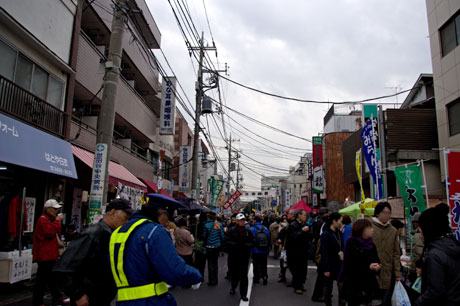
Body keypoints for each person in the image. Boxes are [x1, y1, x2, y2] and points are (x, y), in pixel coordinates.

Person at [108, 194, 202, 305]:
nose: (168, 222)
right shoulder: (155, 232)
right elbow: (174, 270)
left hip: (123, 301)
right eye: (169, 217)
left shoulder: (118, 232)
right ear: (161, 213)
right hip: (150, 301)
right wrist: (196, 276)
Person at [53, 199, 133, 306]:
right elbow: (62, 269)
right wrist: (78, 295)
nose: (126, 222)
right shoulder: (93, 234)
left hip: (103, 299)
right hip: (88, 300)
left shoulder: (110, 235)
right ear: (113, 212)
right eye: (125, 218)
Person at [414, 203, 460, 306]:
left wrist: (417, 302)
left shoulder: (434, 255)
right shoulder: (453, 245)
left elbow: (435, 291)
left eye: (421, 229)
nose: (420, 232)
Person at [32, 199, 65, 306]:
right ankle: (38, 302)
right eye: (54, 209)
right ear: (48, 209)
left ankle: (56, 298)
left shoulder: (49, 219)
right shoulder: (43, 220)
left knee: (52, 279)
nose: (56, 211)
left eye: (57, 209)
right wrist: (57, 221)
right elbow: (49, 232)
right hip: (44, 256)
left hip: (50, 255)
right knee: (42, 281)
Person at [341, 219, 381, 306]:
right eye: (369, 227)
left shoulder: (371, 244)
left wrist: (377, 266)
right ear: (361, 229)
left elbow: (377, 260)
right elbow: (350, 266)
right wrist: (368, 267)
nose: (372, 230)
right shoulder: (351, 243)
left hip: (370, 285)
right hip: (355, 286)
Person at [370, 202, 401, 305]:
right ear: (377, 214)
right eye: (384, 212)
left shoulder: (392, 230)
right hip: (372, 271)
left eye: (389, 213)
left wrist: (397, 273)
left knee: (385, 300)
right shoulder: (369, 227)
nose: (387, 215)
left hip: (388, 271)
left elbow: (396, 253)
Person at [226, 213, 255, 302]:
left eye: (243, 220)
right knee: (234, 274)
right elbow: (227, 241)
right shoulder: (231, 230)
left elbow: (253, 241)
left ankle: (243, 294)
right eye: (241, 220)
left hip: (244, 256)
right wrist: (235, 245)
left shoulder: (248, 231)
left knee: (243, 275)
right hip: (234, 255)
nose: (242, 222)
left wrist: (246, 246)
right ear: (237, 221)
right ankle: (233, 287)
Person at [319, 212, 345, 306]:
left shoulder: (339, 233)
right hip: (329, 264)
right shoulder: (326, 235)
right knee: (328, 288)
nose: (340, 223)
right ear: (334, 221)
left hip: (340, 264)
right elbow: (324, 252)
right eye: (340, 221)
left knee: (342, 288)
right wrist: (326, 268)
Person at [286, 209, 310, 294]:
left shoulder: (305, 224)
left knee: (303, 270)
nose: (305, 217)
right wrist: (302, 231)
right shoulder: (293, 225)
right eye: (304, 215)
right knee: (297, 270)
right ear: (299, 215)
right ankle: (297, 286)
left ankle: (301, 284)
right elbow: (294, 237)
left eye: (306, 215)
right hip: (295, 251)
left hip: (303, 250)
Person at [311, 207, 330, 302]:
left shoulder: (317, 222)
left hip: (317, 250)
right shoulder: (323, 224)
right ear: (324, 214)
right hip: (320, 251)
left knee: (321, 275)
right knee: (322, 275)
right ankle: (318, 295)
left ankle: (321, 294)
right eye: (328, 213)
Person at [202, 212, 225, 286]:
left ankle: (211, 280)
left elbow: (204, 236)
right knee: (215, 263)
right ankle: (216, 279)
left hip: (209, 246)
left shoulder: (206, 225)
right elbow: (222, 236)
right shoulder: (219, 225)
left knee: (210, 263)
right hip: (217, 246)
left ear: (208, 217)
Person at [250, 215, 270, 285]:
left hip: (255, 250)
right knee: (264, 264)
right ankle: (264, 276)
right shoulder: (265, 228)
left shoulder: (252, 228)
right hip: (264, 250)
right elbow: (268, 238)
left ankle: (256, 278)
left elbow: (250, 239)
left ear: (255, 220)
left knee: (256, 264)